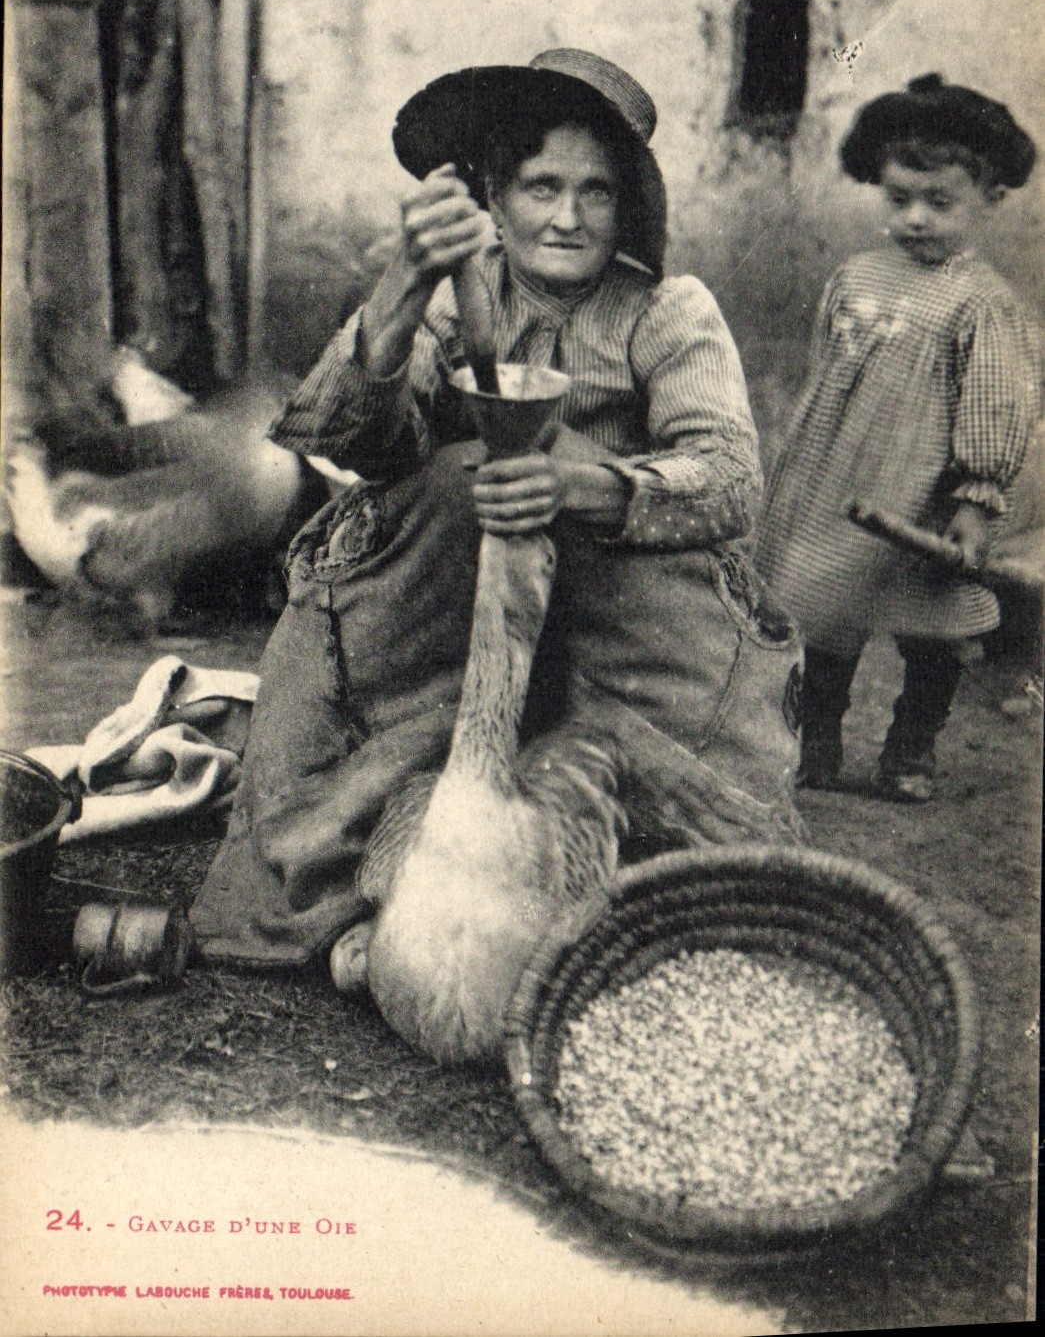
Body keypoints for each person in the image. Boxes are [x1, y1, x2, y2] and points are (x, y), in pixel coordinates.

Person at [190, 49, 802, 974]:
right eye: (539, 186)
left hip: (618, 618)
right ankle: (369, 888)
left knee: (691, 857)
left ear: (628, 203)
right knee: (437, 494)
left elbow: (726, 480)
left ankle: (611, 892)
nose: (566, 217)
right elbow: (357, 442)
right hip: (456, 612)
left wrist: (583, 485)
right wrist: (402, 283)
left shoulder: (667, 313)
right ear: (493, 193)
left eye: (594, 192)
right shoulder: (448, 307)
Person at [755, 73, 1040, 804]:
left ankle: (909, 749)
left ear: (988, 200)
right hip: (842, 485)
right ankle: (814, 739)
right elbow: (828, 378)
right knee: (823, 615)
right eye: (898, 200)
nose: (915, 219)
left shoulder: (981, 304)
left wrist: (974, 500)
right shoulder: (855, 278)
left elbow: (995, 406)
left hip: (922, 494)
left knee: (931, 633)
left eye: (939, 203)